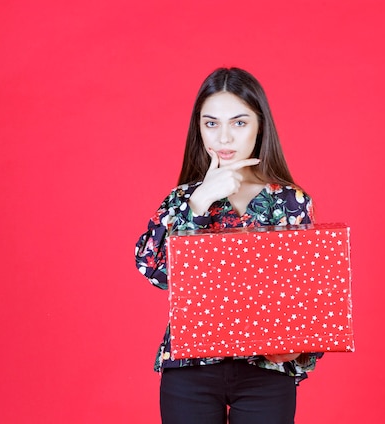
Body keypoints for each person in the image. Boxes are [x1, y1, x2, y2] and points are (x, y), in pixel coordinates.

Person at [135, 67, 322, 424]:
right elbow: (155, 271)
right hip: (190, 368)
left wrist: (298, 345)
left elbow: (307, 294)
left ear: (260, 126)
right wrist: (201, 201)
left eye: (238, 123)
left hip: (266, 370)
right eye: (211, 123)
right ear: (199, 129)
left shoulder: (291, 202)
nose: (224, 136)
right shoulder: (184, 199)